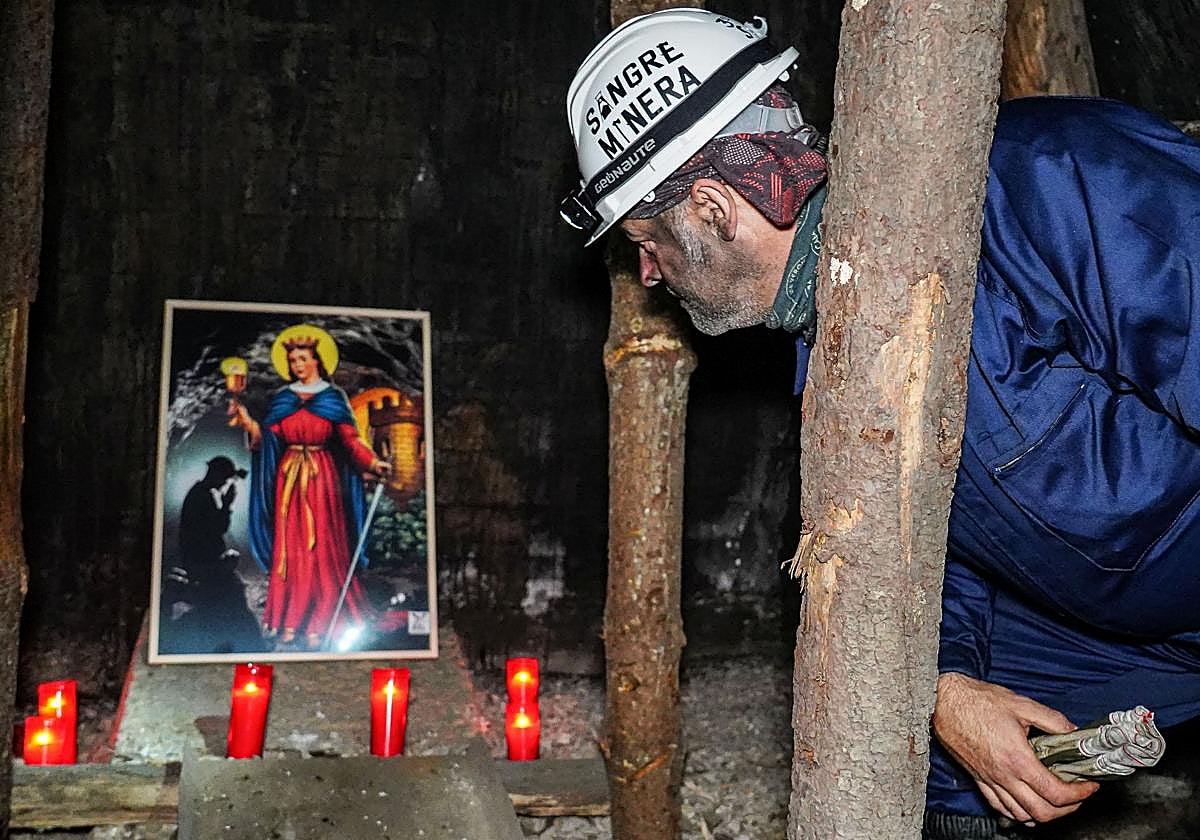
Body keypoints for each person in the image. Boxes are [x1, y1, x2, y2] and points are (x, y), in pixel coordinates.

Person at [560, 9, 1200, 839]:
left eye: (646, 240)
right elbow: (933, 551)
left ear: (715, 207)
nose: (645, 272)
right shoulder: (824, 359)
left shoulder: (1048, 182)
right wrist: (946, 692)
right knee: (926, 736)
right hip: (1142, 629)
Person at [230, 326, 390, 649]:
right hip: (288, 482)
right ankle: (290, 618)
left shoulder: (333, 399)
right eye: (292, 361)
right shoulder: (283, 399)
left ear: (317, 360)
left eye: (302, 359)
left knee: (321, 552)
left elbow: (351, 440)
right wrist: (249, 424)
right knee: (291, 552)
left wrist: (373, 463)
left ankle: (321, 619)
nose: (296, 365)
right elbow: (269, 439)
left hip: (322, 481)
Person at [163, 455, 263, 654]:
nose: (224, 483)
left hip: (205, 561)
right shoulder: (201, 496)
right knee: (223, 601)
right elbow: (215, 529)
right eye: (224, 478)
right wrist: (226, 506)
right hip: (204, 564)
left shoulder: (201, 494)